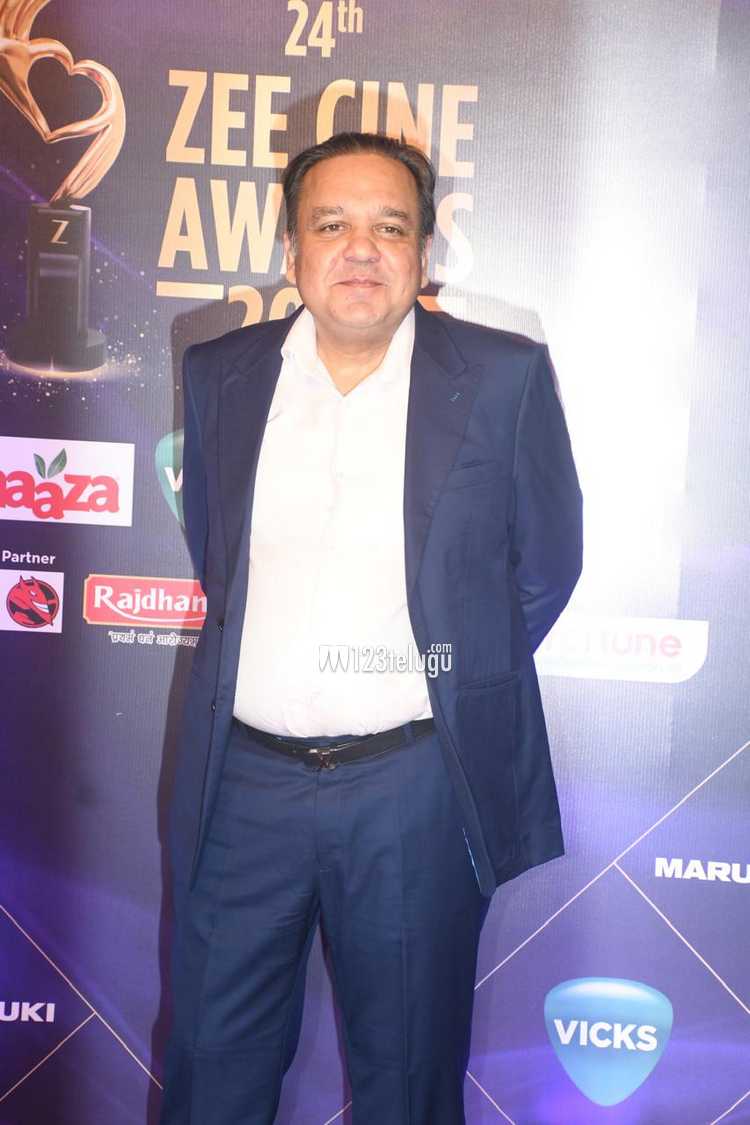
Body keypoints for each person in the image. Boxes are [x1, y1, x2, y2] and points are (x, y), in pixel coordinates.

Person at [160, 131, 582, 1125]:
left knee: (407, 1087)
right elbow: (218, 550)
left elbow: (545, 567)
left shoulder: (504, 376)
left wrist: (431, 672)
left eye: (389, 227)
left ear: (423, 252)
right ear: (292, 250)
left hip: (411, 793)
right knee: (210, 1074)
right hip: (242, 791)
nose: (360, 249)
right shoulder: (219, 371)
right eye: (331, 225)